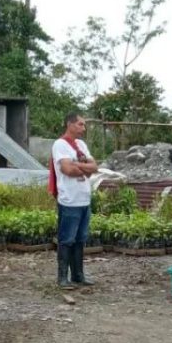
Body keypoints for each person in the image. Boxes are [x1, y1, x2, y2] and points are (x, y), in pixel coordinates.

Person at [52, 111, 98, 289]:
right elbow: (67, 170)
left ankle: (78, 274)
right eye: (80, 124)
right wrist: (84, 168)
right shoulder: (60, 145)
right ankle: (62, 276)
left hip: (84, 199)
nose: (83, 128)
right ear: (69, 124)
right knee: (66, 239)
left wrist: (78, 164)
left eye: (84, 124)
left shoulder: (81, 145)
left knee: (80, 239)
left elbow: (94, 167)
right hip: (69, 199)